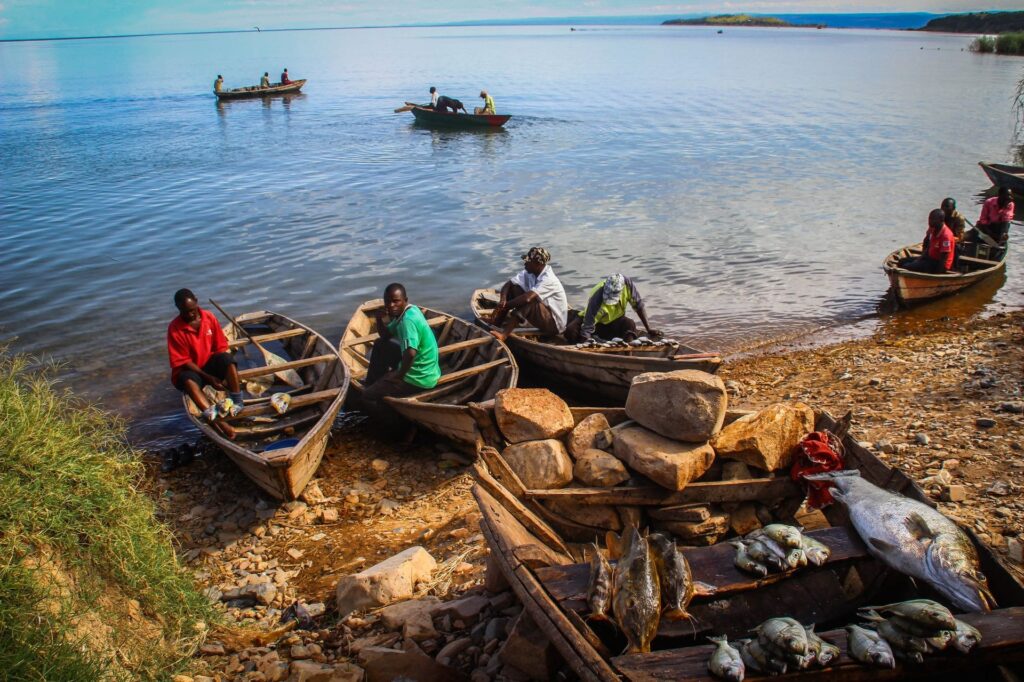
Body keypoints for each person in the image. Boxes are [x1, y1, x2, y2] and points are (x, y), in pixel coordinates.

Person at [167, 289, 242, 439]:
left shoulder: (209, 317)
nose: (190, 315)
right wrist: (208, 378)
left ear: (196, 301)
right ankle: (216, 420)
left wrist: (222, 376)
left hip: (208, 364)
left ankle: (237, 401)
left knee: (227, 359)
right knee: (187, 380)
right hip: (191, 370)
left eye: (193, 310)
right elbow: (183, 361)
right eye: (185, 312)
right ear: (178, 308)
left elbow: (220, 347)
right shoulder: (174, 329)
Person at [362, 283, 441, 426]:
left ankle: (396, 429)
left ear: (405, 300)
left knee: (368, 396)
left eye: (396, 301)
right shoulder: (409, 311)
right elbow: (385, 336)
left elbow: (410, 353)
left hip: (420, 377)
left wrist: (397, 375)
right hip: (429, 372)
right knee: (380, 344)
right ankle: (373, 382)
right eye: (388, 301)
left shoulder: (407, 321)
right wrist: (379, 319)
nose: (391, 305)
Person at [490, 247, 569, 342]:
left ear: (538, 264)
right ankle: (496, 323)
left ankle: (504, 335)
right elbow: (509, 284)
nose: (525, 263)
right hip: (543, 315)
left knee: (529, 301)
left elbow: (527, 298)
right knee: (514, 287)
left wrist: (504, 306)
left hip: (554, 325)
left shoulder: (549, 279)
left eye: (528, 261)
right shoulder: (530, 272)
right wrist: (502, 301)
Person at [563, 274, 662, 343]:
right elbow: (588, 325)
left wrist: (648, 329)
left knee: (630, 323)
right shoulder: (597, 296)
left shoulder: (628, 285)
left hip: (614, 322)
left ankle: (627, 352)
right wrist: (584, 344)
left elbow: (639, 306)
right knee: (570, 331)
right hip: (595, 323)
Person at [898, 209, 954, 274]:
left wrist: (938, 274)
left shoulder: (946, 235)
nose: (930, 222)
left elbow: (944, 257)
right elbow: (928, 246)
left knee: (906, 266)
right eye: (929, 219)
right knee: (901, 262)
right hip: (930, 259)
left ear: (941, 220)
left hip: (938, 263)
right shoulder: (932, 229)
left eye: (933, 219)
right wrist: (919, 259)